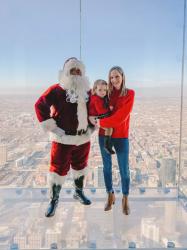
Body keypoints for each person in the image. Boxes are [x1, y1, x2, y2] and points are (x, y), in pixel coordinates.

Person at [35, 57, 93, 217]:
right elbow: (40, 105)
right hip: (63, 140)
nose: (76, 73)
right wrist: (53, 128)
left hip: (82, 139)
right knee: (57, 170)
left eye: (78, 70)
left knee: (81, 167)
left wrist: (92, 126)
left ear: (83, 73)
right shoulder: (57, 90)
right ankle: (54, 199)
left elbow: (95, 109)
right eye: (72, 70)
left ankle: (78, 192)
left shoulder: (88, 92)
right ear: (66, 72)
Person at [98, 66, 135, 215]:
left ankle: (125, 198)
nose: (114, 80)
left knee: (124, 170)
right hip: (103, 135)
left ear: (122, 76)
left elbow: (121, 117)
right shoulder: (106, 92)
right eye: (111, 77)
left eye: (116, 77)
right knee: (106, 168)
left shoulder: (130, 94)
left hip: (121, 136)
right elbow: (94, 100)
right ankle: (110, 194)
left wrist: (100, 122)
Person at [89, 79, 115, 154]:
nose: (103, 92)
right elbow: (101, 111)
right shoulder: (96, 99)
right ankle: (107, 146)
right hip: (95, 118)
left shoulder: (100, 97)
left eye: (105, 90)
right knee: (109, 128)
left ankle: (108, 145)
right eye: (100, 90)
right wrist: (110, 110)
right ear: (95, 90)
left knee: (110, 128)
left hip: (98, 117)